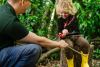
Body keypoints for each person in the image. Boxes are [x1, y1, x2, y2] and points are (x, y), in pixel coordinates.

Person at [0, 0, 69, 67]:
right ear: (22, 1)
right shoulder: (10, 21)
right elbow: (39, 40)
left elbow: (24, 36)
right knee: (34, 49)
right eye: (29, 1)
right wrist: (59, 44)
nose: (30, 4)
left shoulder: (3, 10)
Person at [56, 0, 90, 67]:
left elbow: (75, 27)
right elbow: (59, 31)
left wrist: (67, 29)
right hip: (66, 38)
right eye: (62, 13)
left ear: (70, 11)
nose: (63, 15)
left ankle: (85, 62)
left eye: (66, 13)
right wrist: (61, 34)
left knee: (85, 43)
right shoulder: (59, 19)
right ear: (59, 11)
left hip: (76, 36)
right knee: (68, 46)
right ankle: (70, 64)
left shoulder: (73, 17)